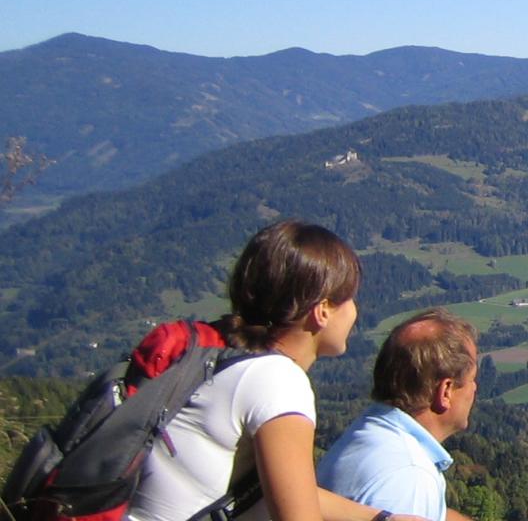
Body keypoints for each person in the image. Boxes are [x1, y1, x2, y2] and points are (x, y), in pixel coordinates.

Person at [128, 220, 410, 521]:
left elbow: (287, 490)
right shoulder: (278, 382)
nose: (355, 310)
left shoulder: (227, 357)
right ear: (323, 310)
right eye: (349, 298)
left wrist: (381, 518)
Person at [319, 308, 479, 521]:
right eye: (472, 379)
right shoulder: (409, 476)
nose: (474, 388)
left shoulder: (370, 435)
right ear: (446, 391)